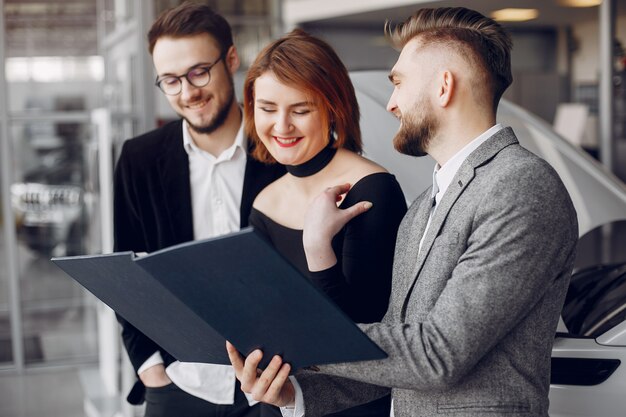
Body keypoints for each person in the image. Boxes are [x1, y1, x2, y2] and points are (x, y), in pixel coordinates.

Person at [227, 7, 579, 417]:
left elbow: (437, 355)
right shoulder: (422, 209)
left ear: (443, 86)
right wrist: (293, 393)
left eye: (398, 83)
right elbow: (394, 358)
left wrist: (301, 337)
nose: (392, 103)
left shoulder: (521, 187)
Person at [113, 3, 284, 417]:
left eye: (198, 72)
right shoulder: (139, 158)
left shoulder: (282, 150)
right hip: (179, 386)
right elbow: (126, 273)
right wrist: (151, 369)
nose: (188, 92)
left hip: (274, 384)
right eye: (170, 80)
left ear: (230, 59)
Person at [242, 29, 407, 417]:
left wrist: (318, 247)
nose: (281, 126)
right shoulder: (265, 201)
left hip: (352, 405)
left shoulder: (374, 189)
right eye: (267, 108)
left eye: (300, 110)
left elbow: (363, 340)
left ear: (333, 108)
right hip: (282, 402)